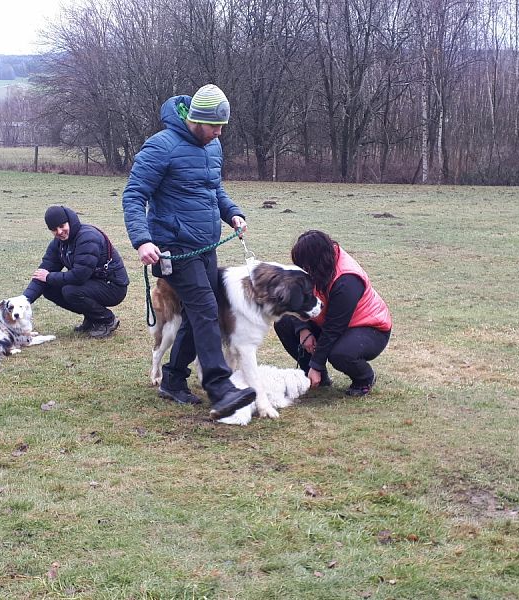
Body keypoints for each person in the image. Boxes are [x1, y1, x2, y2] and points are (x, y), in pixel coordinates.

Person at [122, 83, 256, 420]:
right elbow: (134, 195)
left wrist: (232, 212)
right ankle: (220, 386)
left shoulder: (213, 148)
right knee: (206, 309)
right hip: (173, 248)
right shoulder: (161, 147)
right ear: (196, 119)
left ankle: (173, 380)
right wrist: (143, 240)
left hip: (205, 245)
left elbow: (213, 190)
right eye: (215, 126)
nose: (220, 132)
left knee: (199, 313)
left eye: (223, 126)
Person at [274, 230, 392, 396]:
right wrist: (303, 330)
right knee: (284, 322)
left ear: (317, 262)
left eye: (306, 266)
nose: (303, 270)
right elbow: (296, 303)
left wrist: (317, 364)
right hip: (329, 321)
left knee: (340, 353)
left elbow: (333, 328)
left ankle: (364, 378)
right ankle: (317, 379)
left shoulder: (347, 280)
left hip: (370, 327)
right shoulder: (316, 268)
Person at [23, 205, 129, 339]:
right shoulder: (59, 243)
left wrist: (49, 276)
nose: (60, 231)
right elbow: (44, 270)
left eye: (62, 226)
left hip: (113, 286)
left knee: (71, 291)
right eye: (54, 229)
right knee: (48, 288)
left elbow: (79, 276)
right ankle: (92, 319)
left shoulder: (88, 237)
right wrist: (22, 301)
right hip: (93, 282)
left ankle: (106, 320)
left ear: (69, 221)